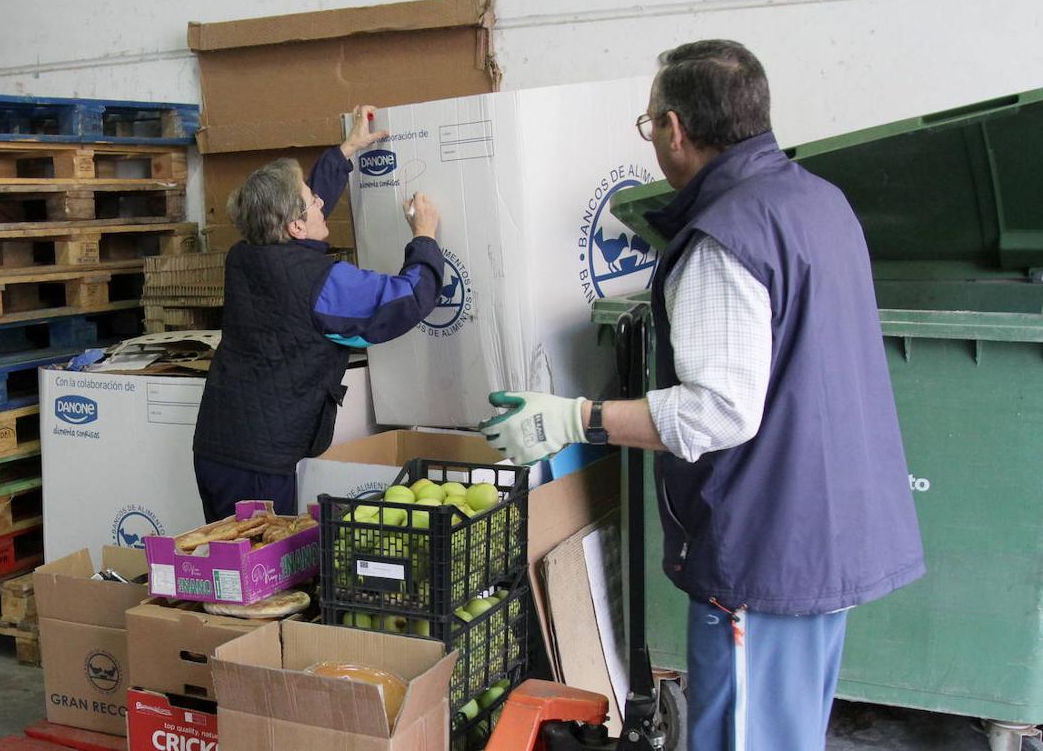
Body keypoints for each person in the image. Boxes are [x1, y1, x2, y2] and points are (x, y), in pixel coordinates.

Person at [479, 41, 925, 751]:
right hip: (826, 530)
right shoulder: (818, 201)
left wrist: (576, 417)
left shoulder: (724, 241)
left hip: (765, 547)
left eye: (649, 124)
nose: (653, 137)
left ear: (675, 129)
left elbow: (719, 412)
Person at [192, 105, 442, 522]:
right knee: (260, 576)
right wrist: (425, 236)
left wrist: (345, 153)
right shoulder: (321, 283)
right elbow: (408, 298)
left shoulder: (246, 253)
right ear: (294, 227)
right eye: (312, 201)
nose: (320, 201)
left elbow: (292, 209)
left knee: (232, 569)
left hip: (217, 446)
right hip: (259, 462)